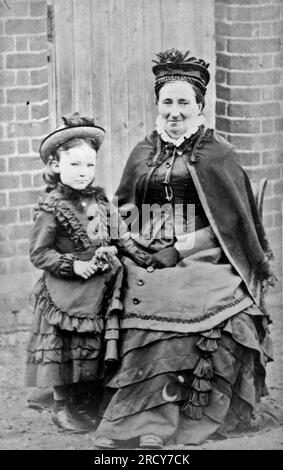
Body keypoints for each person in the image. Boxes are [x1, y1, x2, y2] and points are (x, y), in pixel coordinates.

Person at [93, 49, 278, 449]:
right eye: (167, 102)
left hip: (205, 254)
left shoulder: (219, 153)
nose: (174, 111)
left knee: (178, 295)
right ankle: (134, 419)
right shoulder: (144, 149)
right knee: (136, 290)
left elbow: (229, 224)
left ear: (199, 106)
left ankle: (165, 421)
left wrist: (178, 249)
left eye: (183, 103)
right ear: (157, 105)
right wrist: (128, 241)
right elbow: (125, 206)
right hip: (147, 249)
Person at [25, 113, 151, 433]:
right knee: (67, 349)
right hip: (67, 287)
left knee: (95, 348)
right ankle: (64, 405)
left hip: (100, 284)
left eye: (89, 165)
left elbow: (119, 236)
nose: (84, 173)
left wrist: (142, 256)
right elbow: (40, 253)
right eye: (75, 165)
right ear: (56, 166)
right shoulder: (51, 207)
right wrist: (74, 264)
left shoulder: (98, 198)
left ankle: (91, 401)